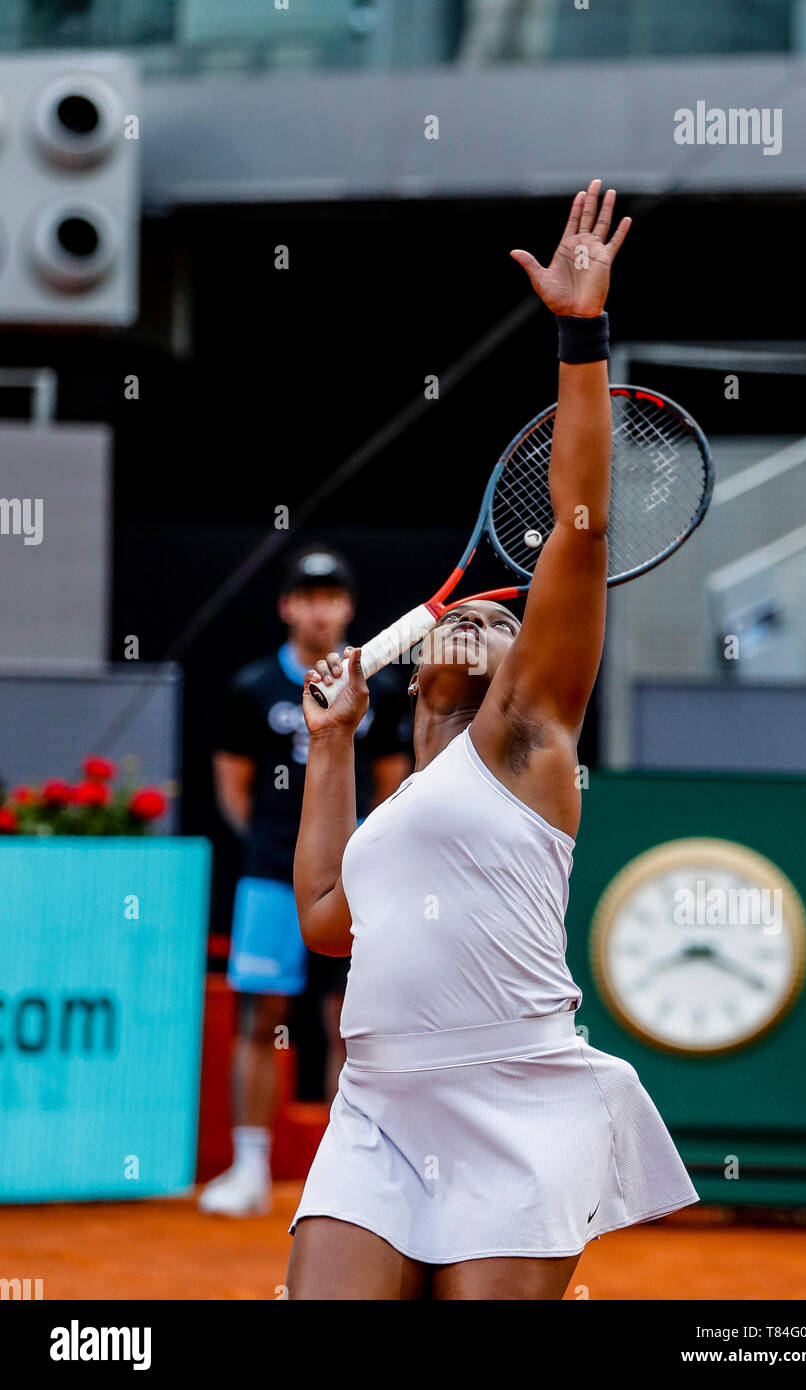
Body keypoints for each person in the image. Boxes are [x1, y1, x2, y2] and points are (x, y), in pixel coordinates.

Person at [286, 182, 699, 1299]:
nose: (483, 617)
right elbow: (328, 919)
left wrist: (578, 335)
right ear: (422, 664)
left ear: (516, 657)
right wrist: (331, 747)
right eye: (467, 617)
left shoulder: (520, 737)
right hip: (375, 1109)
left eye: (504, 620)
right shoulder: (401, 805)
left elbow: (580, 526)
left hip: (514, 1100)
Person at [199, 547, 412, 1217]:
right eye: (307, 596)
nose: (320, 609)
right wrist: (279, 850)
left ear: (348, 608)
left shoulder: (375, 687)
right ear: (288, 606)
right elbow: (232, 788)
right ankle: (250, 1170)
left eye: (332, 597)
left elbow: (393, 781)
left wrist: (359, 855)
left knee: (350, 1020)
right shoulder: (252, 687)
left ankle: (352, 1175)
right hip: (268, 878)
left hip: (356, 881)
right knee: (262, 1016)